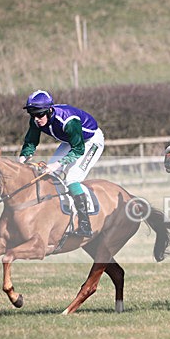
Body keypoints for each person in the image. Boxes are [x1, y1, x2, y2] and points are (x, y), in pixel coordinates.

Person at [18, 90, 104, 237]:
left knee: (71, 178)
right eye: (32, 114)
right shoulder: (35, 120)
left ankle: (85, 225)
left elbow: (78, 150)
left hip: (90, 142)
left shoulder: (68, 121)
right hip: (70, 141)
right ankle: (57, 217)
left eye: (39, 114)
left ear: (49, 110)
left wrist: (57, 164)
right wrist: (22, 159)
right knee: (49, 174)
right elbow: (31, 142)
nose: (36, 118)